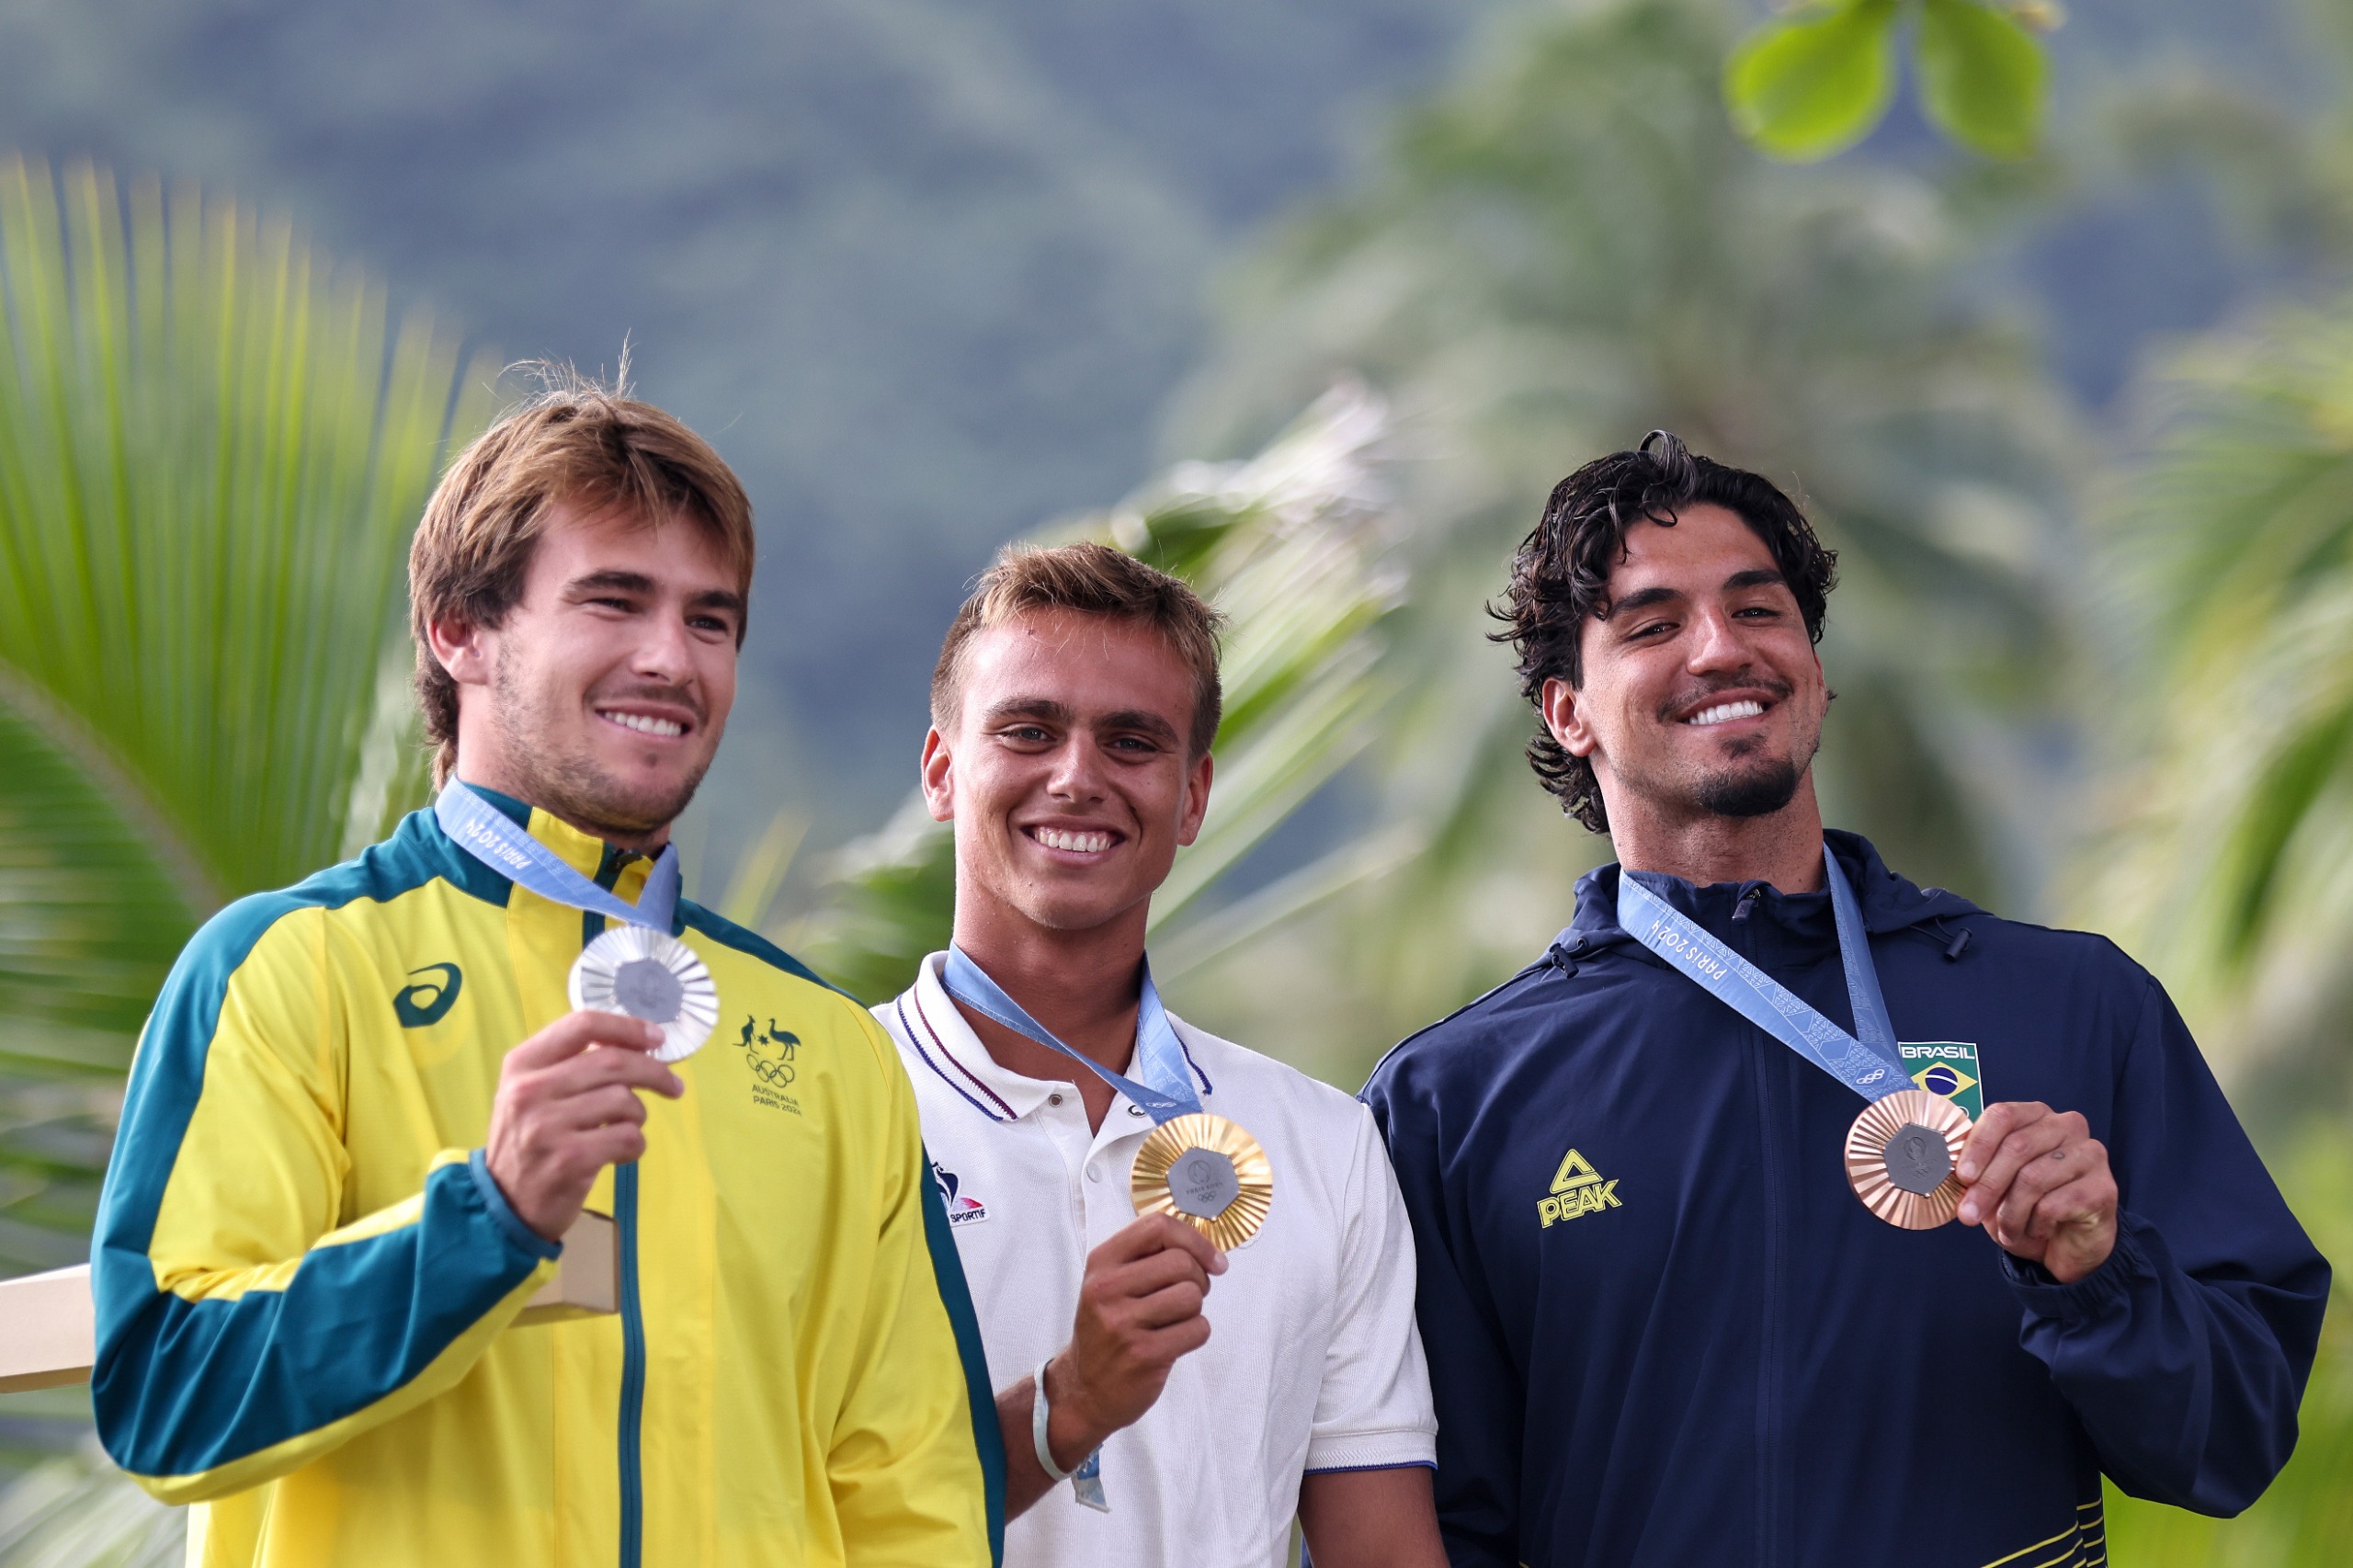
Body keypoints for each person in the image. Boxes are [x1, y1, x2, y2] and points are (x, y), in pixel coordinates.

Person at [1363, 433, 2333, 1568]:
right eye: (1652, 623)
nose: (1721, 649)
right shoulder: (1454, 1101)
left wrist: (2097, 1273)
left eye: (1759, 610)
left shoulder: (2072, 1006)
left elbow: (2231, 1445)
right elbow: (1425, 1527)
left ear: (1815, 672)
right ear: (1568, 709)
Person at [90, 378, 1003, 1567]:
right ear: (460, 629)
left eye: (711, 619)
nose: (670, 658)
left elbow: (916, 1500)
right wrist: (488, 1220)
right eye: (614, 601)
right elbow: (166, 1399)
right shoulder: (288, 972)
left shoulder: (826, 1045)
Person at [872, 542, 1445, 1568]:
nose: (1077, 775)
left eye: (1131, 741)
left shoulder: (1327, 1142)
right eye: (1028, 730)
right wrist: (1068, 1402)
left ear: (1191, 797)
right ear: (941, 770)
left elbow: (1382, 1546)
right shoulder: (827, 1101)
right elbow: (781, 1504)